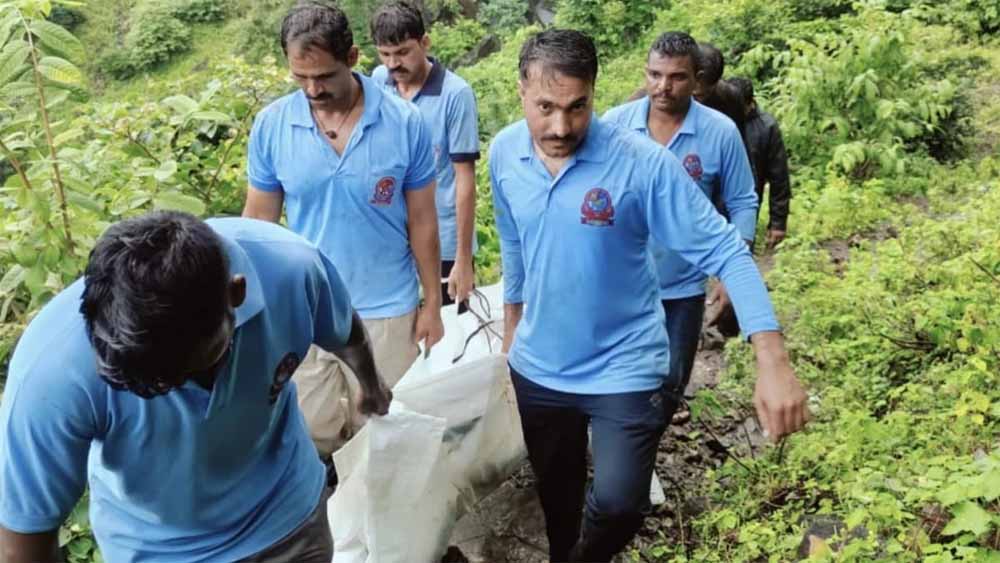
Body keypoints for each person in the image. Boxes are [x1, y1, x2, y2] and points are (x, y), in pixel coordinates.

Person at [491, 29, 809, 562]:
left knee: (620, 503)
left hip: (625, 364)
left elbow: (727, 251)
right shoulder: (504, 152)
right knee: (558, 497)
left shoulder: (641, 164)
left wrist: (772, 360)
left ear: (594, 93)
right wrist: (512, 323)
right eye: (545, 107)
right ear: (521, 90)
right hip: (540, 367)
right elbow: (512, 242)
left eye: (577, 107)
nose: (561, 127)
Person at [0, 211, 392, 563]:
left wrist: (371, 384)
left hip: (288, 518)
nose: (166, 389)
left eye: (178, 373)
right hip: (159, 550)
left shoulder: (290, 271)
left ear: (235, 296)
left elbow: (344, 331)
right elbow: (24, 540)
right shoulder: (54, 374)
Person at [243, 2, 442, 459]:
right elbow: (258, 224)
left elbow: (422, 220)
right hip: (306, 309)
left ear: (352, 58)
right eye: (300, 77)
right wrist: (256, 310)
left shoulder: (403, 123)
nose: (313, 89)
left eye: (324, 76)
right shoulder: (273, 126)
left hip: (386, 309)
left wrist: (432, 303)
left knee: (385, 434)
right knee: (311, 430)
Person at [604, 31, 757, 398]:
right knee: (618, 380)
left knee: (671, 381)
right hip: (620, 281)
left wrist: (733, 272)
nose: (663, 87)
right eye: (655, 75)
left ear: (696, 79)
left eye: (676, 77)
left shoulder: (720, 132)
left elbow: (742, 201)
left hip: (683, 284)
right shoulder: (614, 126)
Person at [370, 1, 481, 311]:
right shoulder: (379, 81)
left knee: (451, 326)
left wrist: (462, 258)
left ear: (425, 42)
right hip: (394, 235)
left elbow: (464, 179)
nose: (394, 63)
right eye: (385, 54)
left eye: (403, 52)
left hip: (443, 239)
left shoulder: (456, 94)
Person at [729, 76, 792, 249]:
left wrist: (778, 223)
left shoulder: (766, 127)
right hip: (714, 205)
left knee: (740, 251)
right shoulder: (716, 120)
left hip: (747, 204)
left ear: (750, 103)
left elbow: (779, 177)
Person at [693, 42, 747, 139]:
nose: (700, 100)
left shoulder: (731, 98)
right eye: (696, 96)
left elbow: (738, 140)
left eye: (706, 94)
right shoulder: (670, 93)